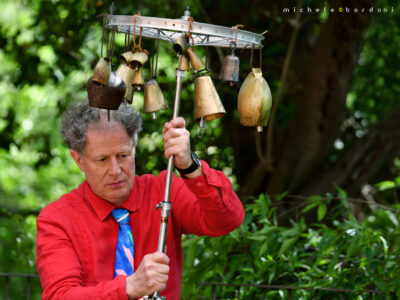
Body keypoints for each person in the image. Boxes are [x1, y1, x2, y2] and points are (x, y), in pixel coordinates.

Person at [36, 103, 244, 300]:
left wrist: (189, 165)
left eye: (123, 155)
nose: (115, 170)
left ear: (134, 149)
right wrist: (129, 287)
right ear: (79, 160)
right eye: (102, 159)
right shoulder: (57, 219)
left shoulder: (165, 191)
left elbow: (228, 220)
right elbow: (60, 296)